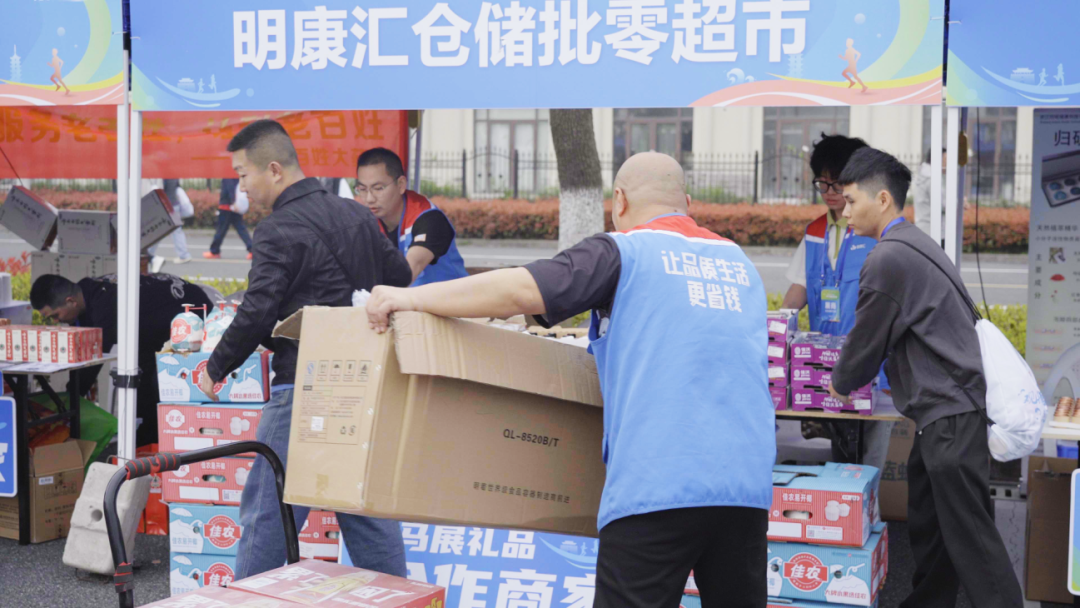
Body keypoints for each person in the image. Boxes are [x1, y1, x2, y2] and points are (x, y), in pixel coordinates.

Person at [367, 152, 775, 608]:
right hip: (746, 487)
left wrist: (409, 298)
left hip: (658, 484)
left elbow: (519, 290)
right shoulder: (738, 263)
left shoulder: (624, 251)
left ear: (619, 200)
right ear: (688, 203)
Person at [197, 119, 413, 580]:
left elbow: (257, 310)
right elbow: (399, 276)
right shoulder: (357, 214)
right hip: (364, 386)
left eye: (243, 174)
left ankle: (245, 600)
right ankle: (403, 600)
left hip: (303, 387)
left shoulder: (277, 229)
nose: (241, 187)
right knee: (364, 506)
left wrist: (215, 367)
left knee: (269, 511)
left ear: (274, 170)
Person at [827, 147, 1024, 608]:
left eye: (851, 201)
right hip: (946, 411)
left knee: (970, 535)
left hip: (950, 412)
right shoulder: (914, 241)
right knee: (931, 522)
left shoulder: (888, 257)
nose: (845, 211)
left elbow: (866, 340)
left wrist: (838, 384)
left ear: (882, 199)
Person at [780, 134, 891, 468]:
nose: (829, 192)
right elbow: (798, 289)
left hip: (871, 363)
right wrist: (775, 330)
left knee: (871, 457)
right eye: (822, 183)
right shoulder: (815, 232)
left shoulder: (877, 231)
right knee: (841, 458)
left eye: (837, 183)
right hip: (825, 363)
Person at [30, 273, 214, 448]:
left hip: (191, 315)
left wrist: (70, 397)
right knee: (143, 382)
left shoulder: (106, 303)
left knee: (159, 384)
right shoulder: (87, 293)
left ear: (71, 301)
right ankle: (148, 438)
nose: (57, 321)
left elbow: (94, 358)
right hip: (156, 325)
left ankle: (164, 440)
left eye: (55, 315)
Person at [355, 148, 468, 286]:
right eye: (362, 189)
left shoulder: (430, 219)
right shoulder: (366, 222)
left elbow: (407, 273)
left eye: (378, 188)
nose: (369, 199)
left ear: (401, 185)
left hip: (451, 299)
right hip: (408, 299)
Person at [204, 178, 254, 260]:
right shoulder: (236, 176)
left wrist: (233, 201)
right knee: (241, 229)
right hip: (234, 206)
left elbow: (230, 187)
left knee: (221, 230)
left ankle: (214, 251)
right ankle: (252, 250)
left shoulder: (227, 176)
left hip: (227, 206)